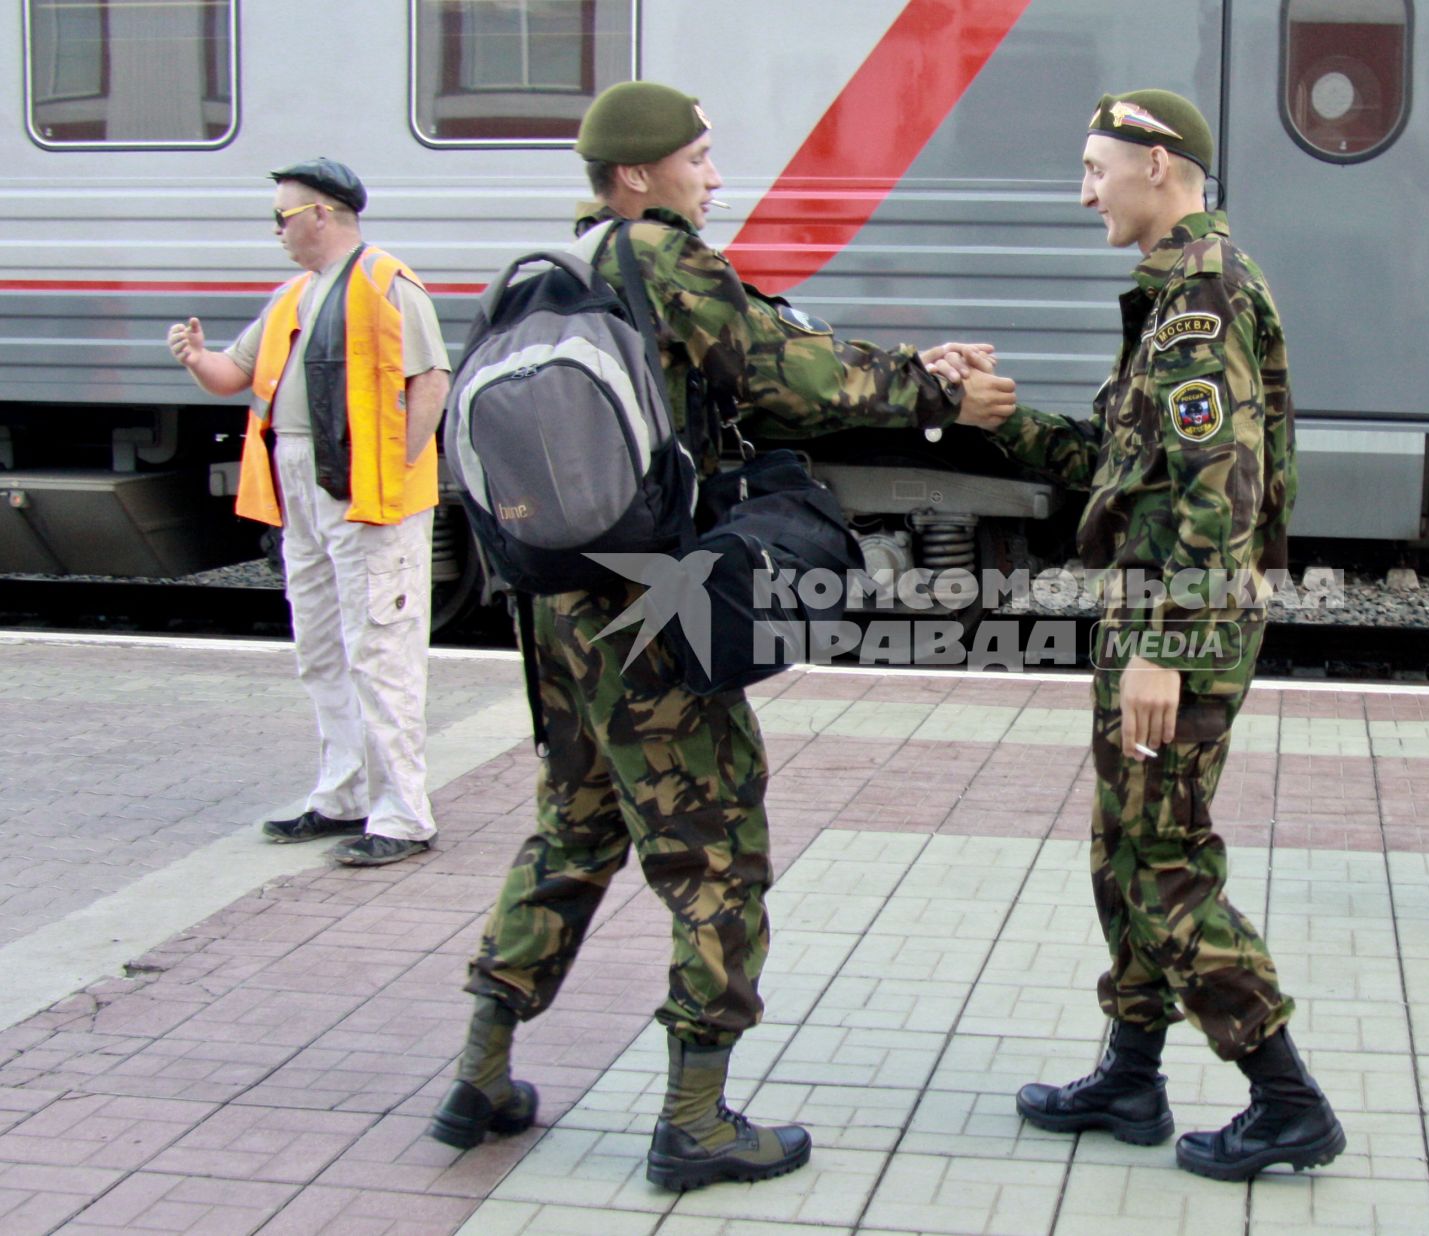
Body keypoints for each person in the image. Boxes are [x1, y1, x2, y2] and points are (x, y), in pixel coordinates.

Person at [427, 81, 1018, 1190]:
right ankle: (695, 1120)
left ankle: (481, 1073)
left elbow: (745, 369)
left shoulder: (559, 275)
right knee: (715, 852)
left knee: (576, 827)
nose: (713, 175)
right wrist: (929, 386)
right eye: (698, 157)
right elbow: (783, 371)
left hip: (553, 607)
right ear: (638, 174)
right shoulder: (661, 255)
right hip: (645, 609)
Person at [984, 89, 1342, 1183]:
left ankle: (1288, 1098)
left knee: (1161, 864)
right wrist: (1001, 423)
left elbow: (1218, 494)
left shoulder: (1200, 299)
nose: (1084, 190)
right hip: (1150, 618)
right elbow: (1120, 467)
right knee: (1121, 853)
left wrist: (1164, 649)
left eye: (1097, 167)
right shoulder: (1172, 294)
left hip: (1172, 631)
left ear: (1158, 164)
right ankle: (1131, 1072)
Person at [166, 158, 448, 868]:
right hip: (305, 488)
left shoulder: (387, 282)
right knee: (322, 646)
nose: (277, 231)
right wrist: (196, 359)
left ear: (324, 213)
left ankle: (404, 814)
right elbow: (234, 374)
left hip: (363, 493)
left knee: (380, 647)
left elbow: (432, 382)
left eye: (284, 217)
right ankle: (343, 795)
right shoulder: (295, 294)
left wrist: (392, 480)